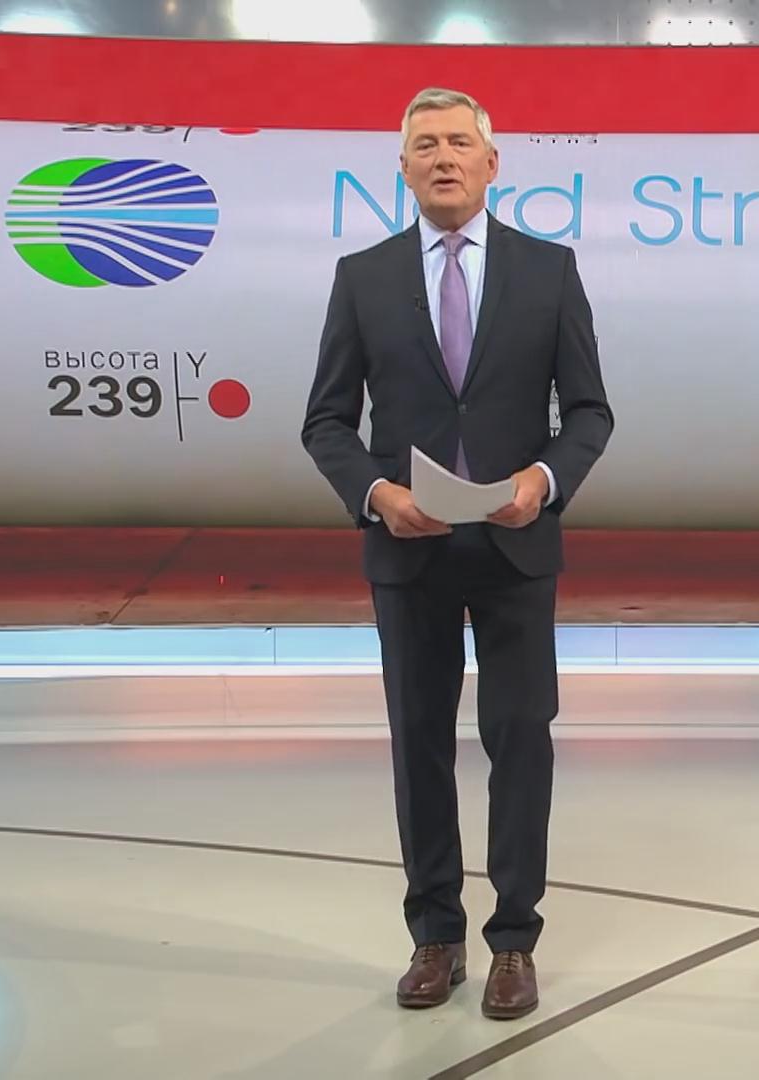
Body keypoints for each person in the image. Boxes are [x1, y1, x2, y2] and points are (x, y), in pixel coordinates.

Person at [300, 87, 613, 1020]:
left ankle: (514, 941)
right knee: (420, 747)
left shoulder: (549, 271)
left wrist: (544, 481)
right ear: (402, 169)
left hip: (516, 549)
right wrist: (377, 495)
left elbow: (589, 413)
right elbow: (326, 422)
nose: (443, 157)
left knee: (520, 741)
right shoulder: (363, 277)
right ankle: (434, 936)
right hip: (411, 554)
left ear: (491, 163)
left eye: (459, 143)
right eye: (426, 145)